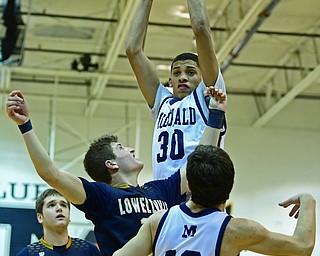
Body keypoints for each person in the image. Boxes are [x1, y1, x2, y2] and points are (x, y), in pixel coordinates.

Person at [6, 88, 226, 256]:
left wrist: (215, 114)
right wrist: (25, 125)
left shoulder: (159, 189)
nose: (130, 149)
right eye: (121, 148)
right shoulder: (102, 196)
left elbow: (201, 162)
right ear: (111, 164)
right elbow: (51, 174)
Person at [113, 145, 316, 256]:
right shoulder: (238, 230)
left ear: (189, 186)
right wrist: (308, 201)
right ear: (231, 185)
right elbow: (302, 247)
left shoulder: (158, 221)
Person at [126, 0, 227, 179]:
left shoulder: (207, 95)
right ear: (170, 81)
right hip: (165, 195)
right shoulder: (162, 101)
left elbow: (201, 28)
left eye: (190, 72)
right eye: (177, 72)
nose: (182, 77)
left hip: (201, 190)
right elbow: (133, 50)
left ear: (202, 77)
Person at [16, 188, 101, 256]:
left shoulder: (89, 250)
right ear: (40, 217)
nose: (59, 208)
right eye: (51, 205)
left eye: (63, 205)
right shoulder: (28, 253)